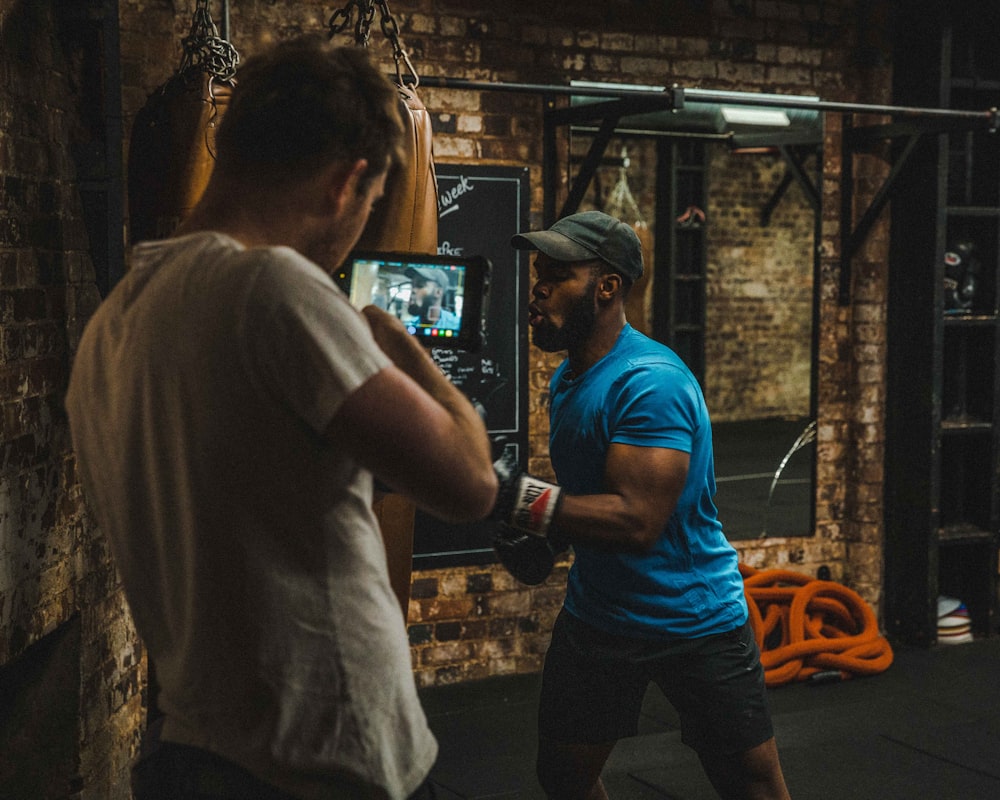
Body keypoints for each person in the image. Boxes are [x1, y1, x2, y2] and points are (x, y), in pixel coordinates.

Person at [65, 36, 498, 800]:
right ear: (347, 182)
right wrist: (403, 347)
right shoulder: (274, 291)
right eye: (368, 207)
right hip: (325, 760)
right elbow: (470, 485)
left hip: (192, 751)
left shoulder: (112, 326)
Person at [492, 210, 791, 800]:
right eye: (537, 274)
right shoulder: (571, 378)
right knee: (563, 775)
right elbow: (592, 491)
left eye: (558, 275)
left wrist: (516, 499)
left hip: (694, 619)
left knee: (750, 784)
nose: (538, 288)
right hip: (601, 614)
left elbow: (637, 520)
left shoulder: (651, 382)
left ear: (607, 288)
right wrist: (550, 537)